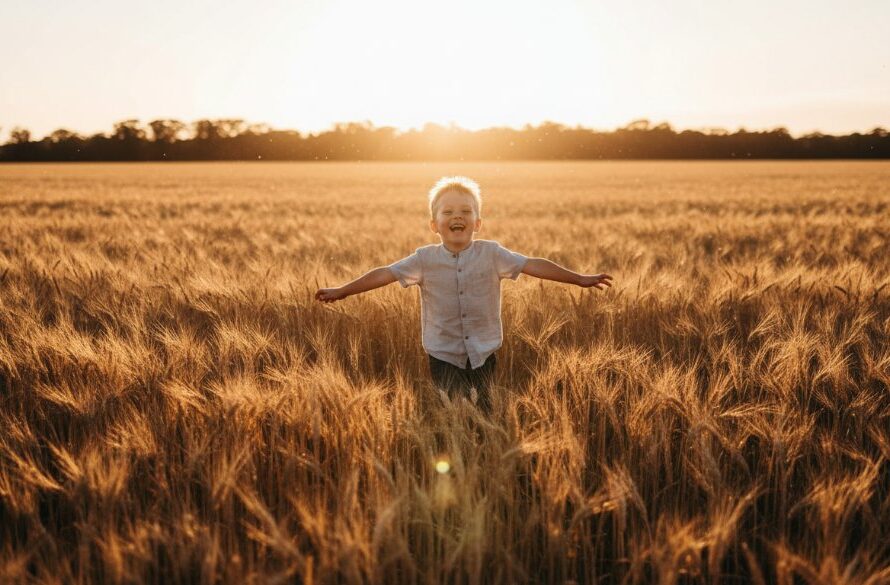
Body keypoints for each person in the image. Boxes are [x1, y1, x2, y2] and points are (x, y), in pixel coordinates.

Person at [315, 176, 613, 414]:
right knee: (451, 414)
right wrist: (343, 291)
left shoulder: (493, 254)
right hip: (443, 354)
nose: (457, 216)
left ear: (478, 223)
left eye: (466, 211)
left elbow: (532, 264)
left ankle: (482, 459)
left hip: (484, 353)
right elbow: (385, 273)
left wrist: (578, 279)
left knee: (484, 413)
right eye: (447, 212)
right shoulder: (423, 259)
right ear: (434, 225)